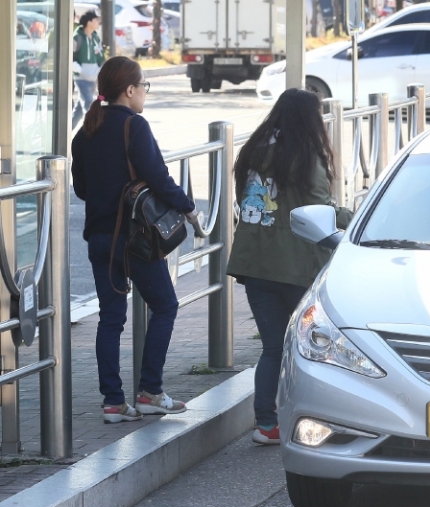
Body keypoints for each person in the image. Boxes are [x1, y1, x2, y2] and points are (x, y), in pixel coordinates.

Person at [72, 57, 201, 424]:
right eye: (144, 85)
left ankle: (113, 403)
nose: (145, 91)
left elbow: (81, 188)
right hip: (135, 240)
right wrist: (189, 209)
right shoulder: (134, 126)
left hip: (99, 239)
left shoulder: (85, 131)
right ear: (129, 90)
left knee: (110, 318)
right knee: (166, 305)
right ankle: (149, 392)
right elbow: (158, 177)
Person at [227, 89, 353, 445]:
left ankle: (266, 424)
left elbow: (245, 202)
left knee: (272, 348)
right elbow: (321, 209)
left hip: (255, 264)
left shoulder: (252, 152)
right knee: (309, 346)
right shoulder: (307, 157)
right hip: (297, 266)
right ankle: (312, 420)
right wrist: (355, 216)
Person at [73, 10, 105, 114]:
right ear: (89, 22)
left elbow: (100, 56)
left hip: (93, 78)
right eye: (96, 20)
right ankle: (92, 124)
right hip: (81, 78)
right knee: (88, 104)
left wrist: (101, 70)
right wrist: (80, 69)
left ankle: (71, 124)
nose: (98, 22)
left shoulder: (96, 38)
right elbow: (70, 57)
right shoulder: (77, 37)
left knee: (79, 109)